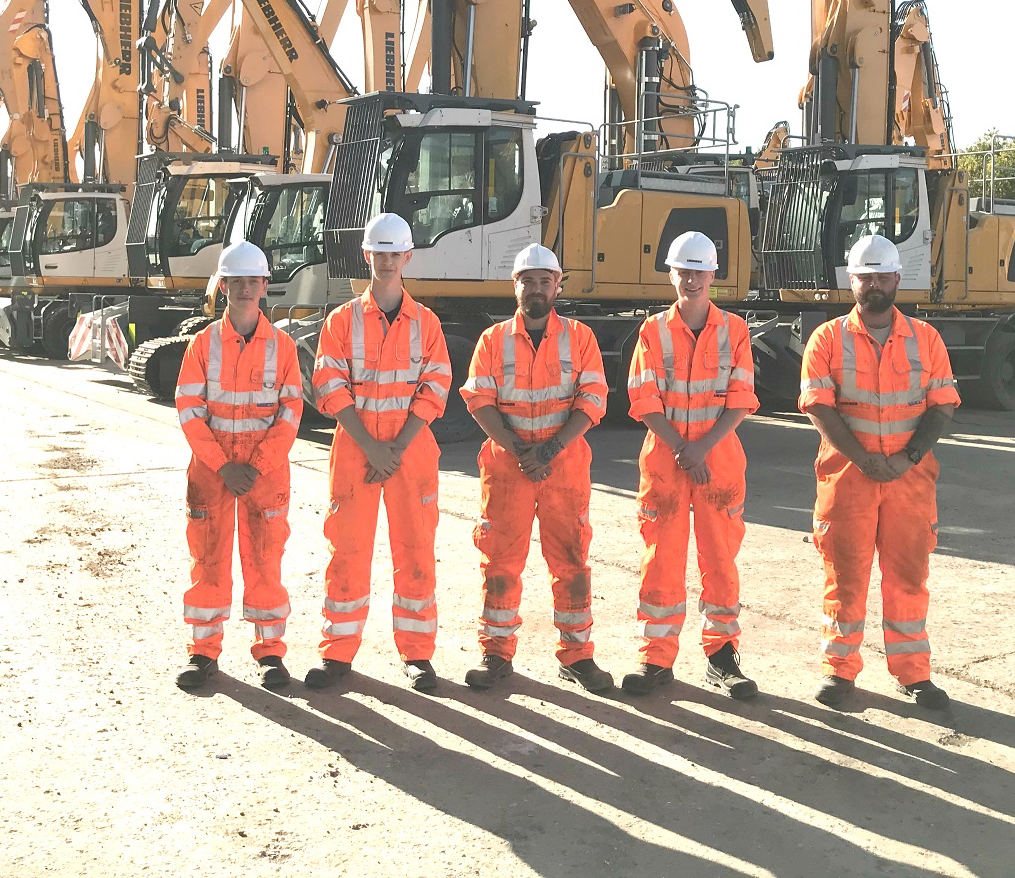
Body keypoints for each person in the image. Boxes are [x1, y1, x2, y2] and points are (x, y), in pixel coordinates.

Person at [799, 233, 961, 711]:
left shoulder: (926, 339)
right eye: (864, 277)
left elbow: (943, 404)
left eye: (881, 276)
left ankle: (914, 673)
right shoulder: (827, 339)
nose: (874, 284)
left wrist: (906, 459)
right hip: (847, 479)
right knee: (844, 578)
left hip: (909, 482)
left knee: (908, 577)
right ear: (852, 282)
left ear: (897, 279)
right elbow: (818, 407)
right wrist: (865, 459)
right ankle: (838, 671)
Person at [305, 213, 451, 692]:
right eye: (379, 252)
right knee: (346, 549)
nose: (386, 261)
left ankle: (417, 656)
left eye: (395, 253)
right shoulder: (341, 321)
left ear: (407, 257)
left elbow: (435, 387)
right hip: (356, 449)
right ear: (366, 255)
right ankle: (338, 654)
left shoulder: (426, 323)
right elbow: (329, 384)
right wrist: (372, 446)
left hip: (409, 452)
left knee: (415, 551)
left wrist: (395, 448)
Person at [459, 243, 612, 693]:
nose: (537, 288)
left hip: (563, 470)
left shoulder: (580, 338)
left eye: (546, 280)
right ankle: (496, 654)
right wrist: (519, 450)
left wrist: (548, 451)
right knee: (501, 563)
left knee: (571, 562)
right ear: (516, 285)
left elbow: (593, 399)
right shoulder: (492, 340)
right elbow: (479, 400)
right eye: (529, 280)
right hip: (508, 472)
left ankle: (577, 656)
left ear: (558, 286)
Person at [622, 231, 761, 699]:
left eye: (699, 271)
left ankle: (722, 657)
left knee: (720, 559)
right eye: (683, 270)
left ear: (713, 275)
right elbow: (643, 398)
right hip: (667, 458)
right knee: (660, 559)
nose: (691, 279)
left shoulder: (735, 330)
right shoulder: (652, 331)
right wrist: (685, 448)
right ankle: (655, 659)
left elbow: (742, 399)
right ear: (670, 274)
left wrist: (701, 449)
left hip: (717, 457)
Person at [174, 240, 303, 693]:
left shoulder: (283, 347)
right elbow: (188, 407)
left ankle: (270, 653)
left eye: (254, 281)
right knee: (207, 560)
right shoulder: (202, 345)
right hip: (213, 471)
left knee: (265, 559)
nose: (246, 289)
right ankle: (203, 653)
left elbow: (291, 411)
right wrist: (223, 465)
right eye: (236, 281)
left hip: (264, 474)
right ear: (223, 285)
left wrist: (258, 464)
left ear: (265, 285)